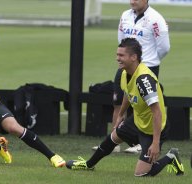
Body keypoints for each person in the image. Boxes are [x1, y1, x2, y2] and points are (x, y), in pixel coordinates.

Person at [67, 38, 184, 176]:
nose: (117, 58)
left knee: (140, 175)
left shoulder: (144, 79)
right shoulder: (124, 73)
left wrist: (156, 142)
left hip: (153, 129)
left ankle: (171, 156)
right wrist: (121, 114)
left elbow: (157, 113)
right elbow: (128, 94)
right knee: (113, 138)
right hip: (137, 120)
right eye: (117, 55)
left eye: (121, 55)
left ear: (134, 57)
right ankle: (88, 164)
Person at [92, 0, 170, 153]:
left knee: (143, 106)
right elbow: (122, 39)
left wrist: (149, 61)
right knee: (118, 102)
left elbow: (164, 47)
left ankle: (140, 144)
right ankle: (114, 142)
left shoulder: (156, 18)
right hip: (126, 66)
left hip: (146, 67)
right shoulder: (125, 15)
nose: (132, 1)